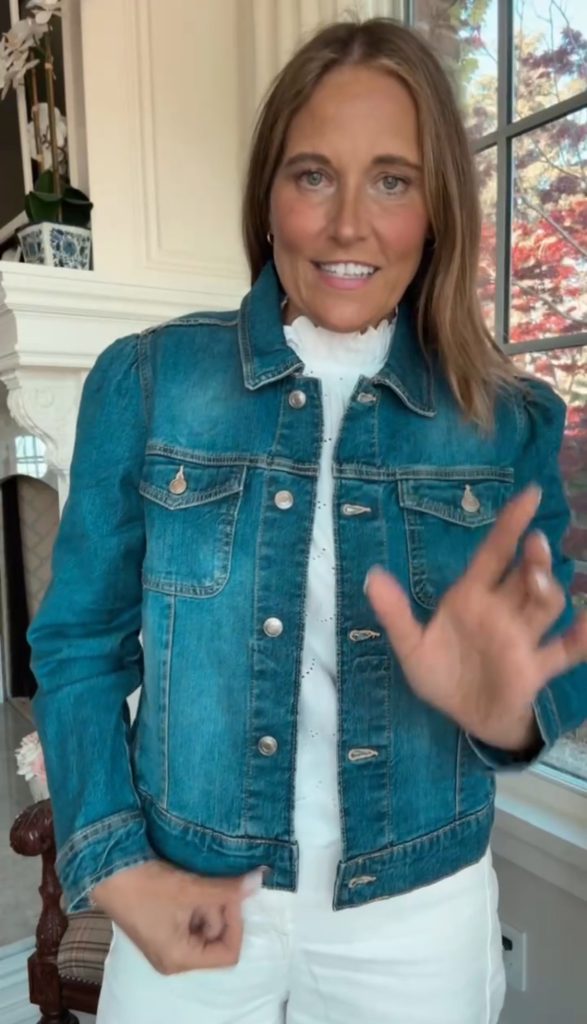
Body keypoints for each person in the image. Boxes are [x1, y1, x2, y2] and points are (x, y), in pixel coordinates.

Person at [28, 16, 587, 1024]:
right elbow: (76, 646)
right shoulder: (147, 382)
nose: (346, 226)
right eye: (313, 175)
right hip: (189, 890)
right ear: (269, 195)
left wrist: (505, 712)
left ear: (436, 207)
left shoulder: (507, 419)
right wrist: (112, 865)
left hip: (416, 915)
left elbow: (556, 655)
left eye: (391, 180)